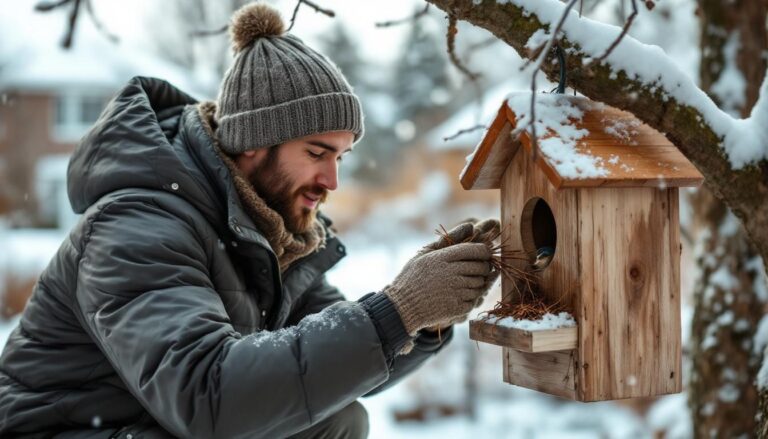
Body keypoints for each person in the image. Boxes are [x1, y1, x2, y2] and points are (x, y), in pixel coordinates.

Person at [0, 3, 499, 438]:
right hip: (69, 431)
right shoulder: (138, 226)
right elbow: (206, 396)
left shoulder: (266, 233)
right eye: (316, 152)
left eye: (341, 158)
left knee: (337, 421)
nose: (332, 181)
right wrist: (399, 309)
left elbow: (323, 361)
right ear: (252, 143)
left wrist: (422, 321)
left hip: (144, 425)